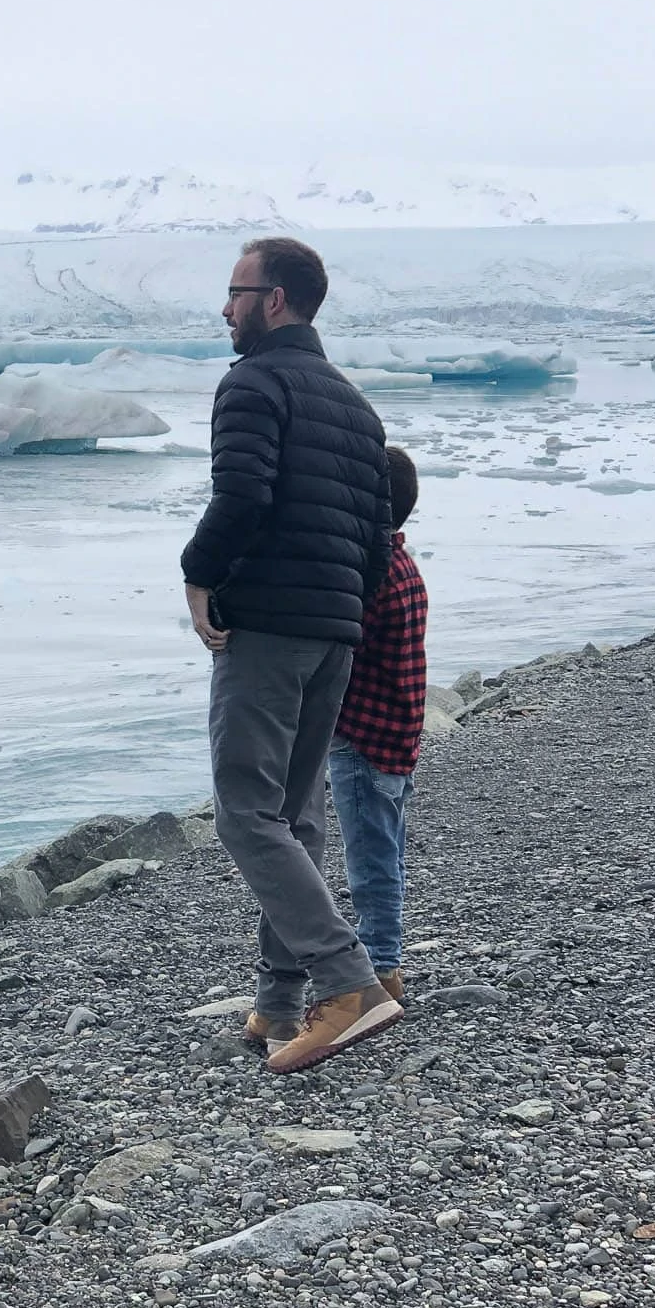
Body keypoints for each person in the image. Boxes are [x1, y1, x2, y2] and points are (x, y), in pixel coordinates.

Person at [181, 235, 400, 1075]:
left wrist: (199, 577)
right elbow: (377, 544)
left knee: (246, 811)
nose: (226, 309)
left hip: (268, 626)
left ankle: (349, 986)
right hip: (335, 630)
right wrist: (342, 608)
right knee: (296, 815)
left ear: (274, 300)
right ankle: (278, 1004)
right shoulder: (354, 404)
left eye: (236, 293)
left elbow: (242, 495)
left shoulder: (253, 381)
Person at [326, 445, 428, 1001]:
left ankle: (382, 967)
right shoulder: (402, 563)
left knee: (370, 859)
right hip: (398, 732)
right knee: (385, 849)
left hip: (365, 736)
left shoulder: (371, 575)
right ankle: (384, 957)